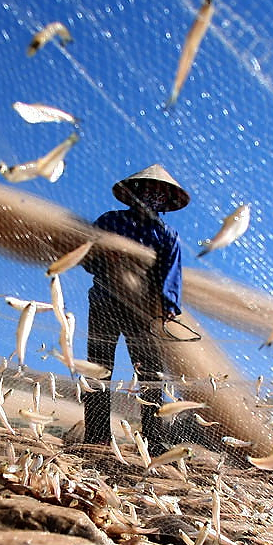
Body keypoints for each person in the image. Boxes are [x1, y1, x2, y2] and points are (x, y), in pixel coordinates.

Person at [81, 164, 187, 456]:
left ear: (165, 201)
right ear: (134, 193)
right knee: (99, 369)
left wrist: (168, 305)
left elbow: (171, 276)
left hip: (141, 312)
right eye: (147, 191)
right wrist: (105, 257)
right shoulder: (110, 222)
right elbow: (86, 258)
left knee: (151, 374)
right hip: (104, 302)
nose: (153, 197)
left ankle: (154, 439)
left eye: (159, 194)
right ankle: (97, 435)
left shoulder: (167, 236)